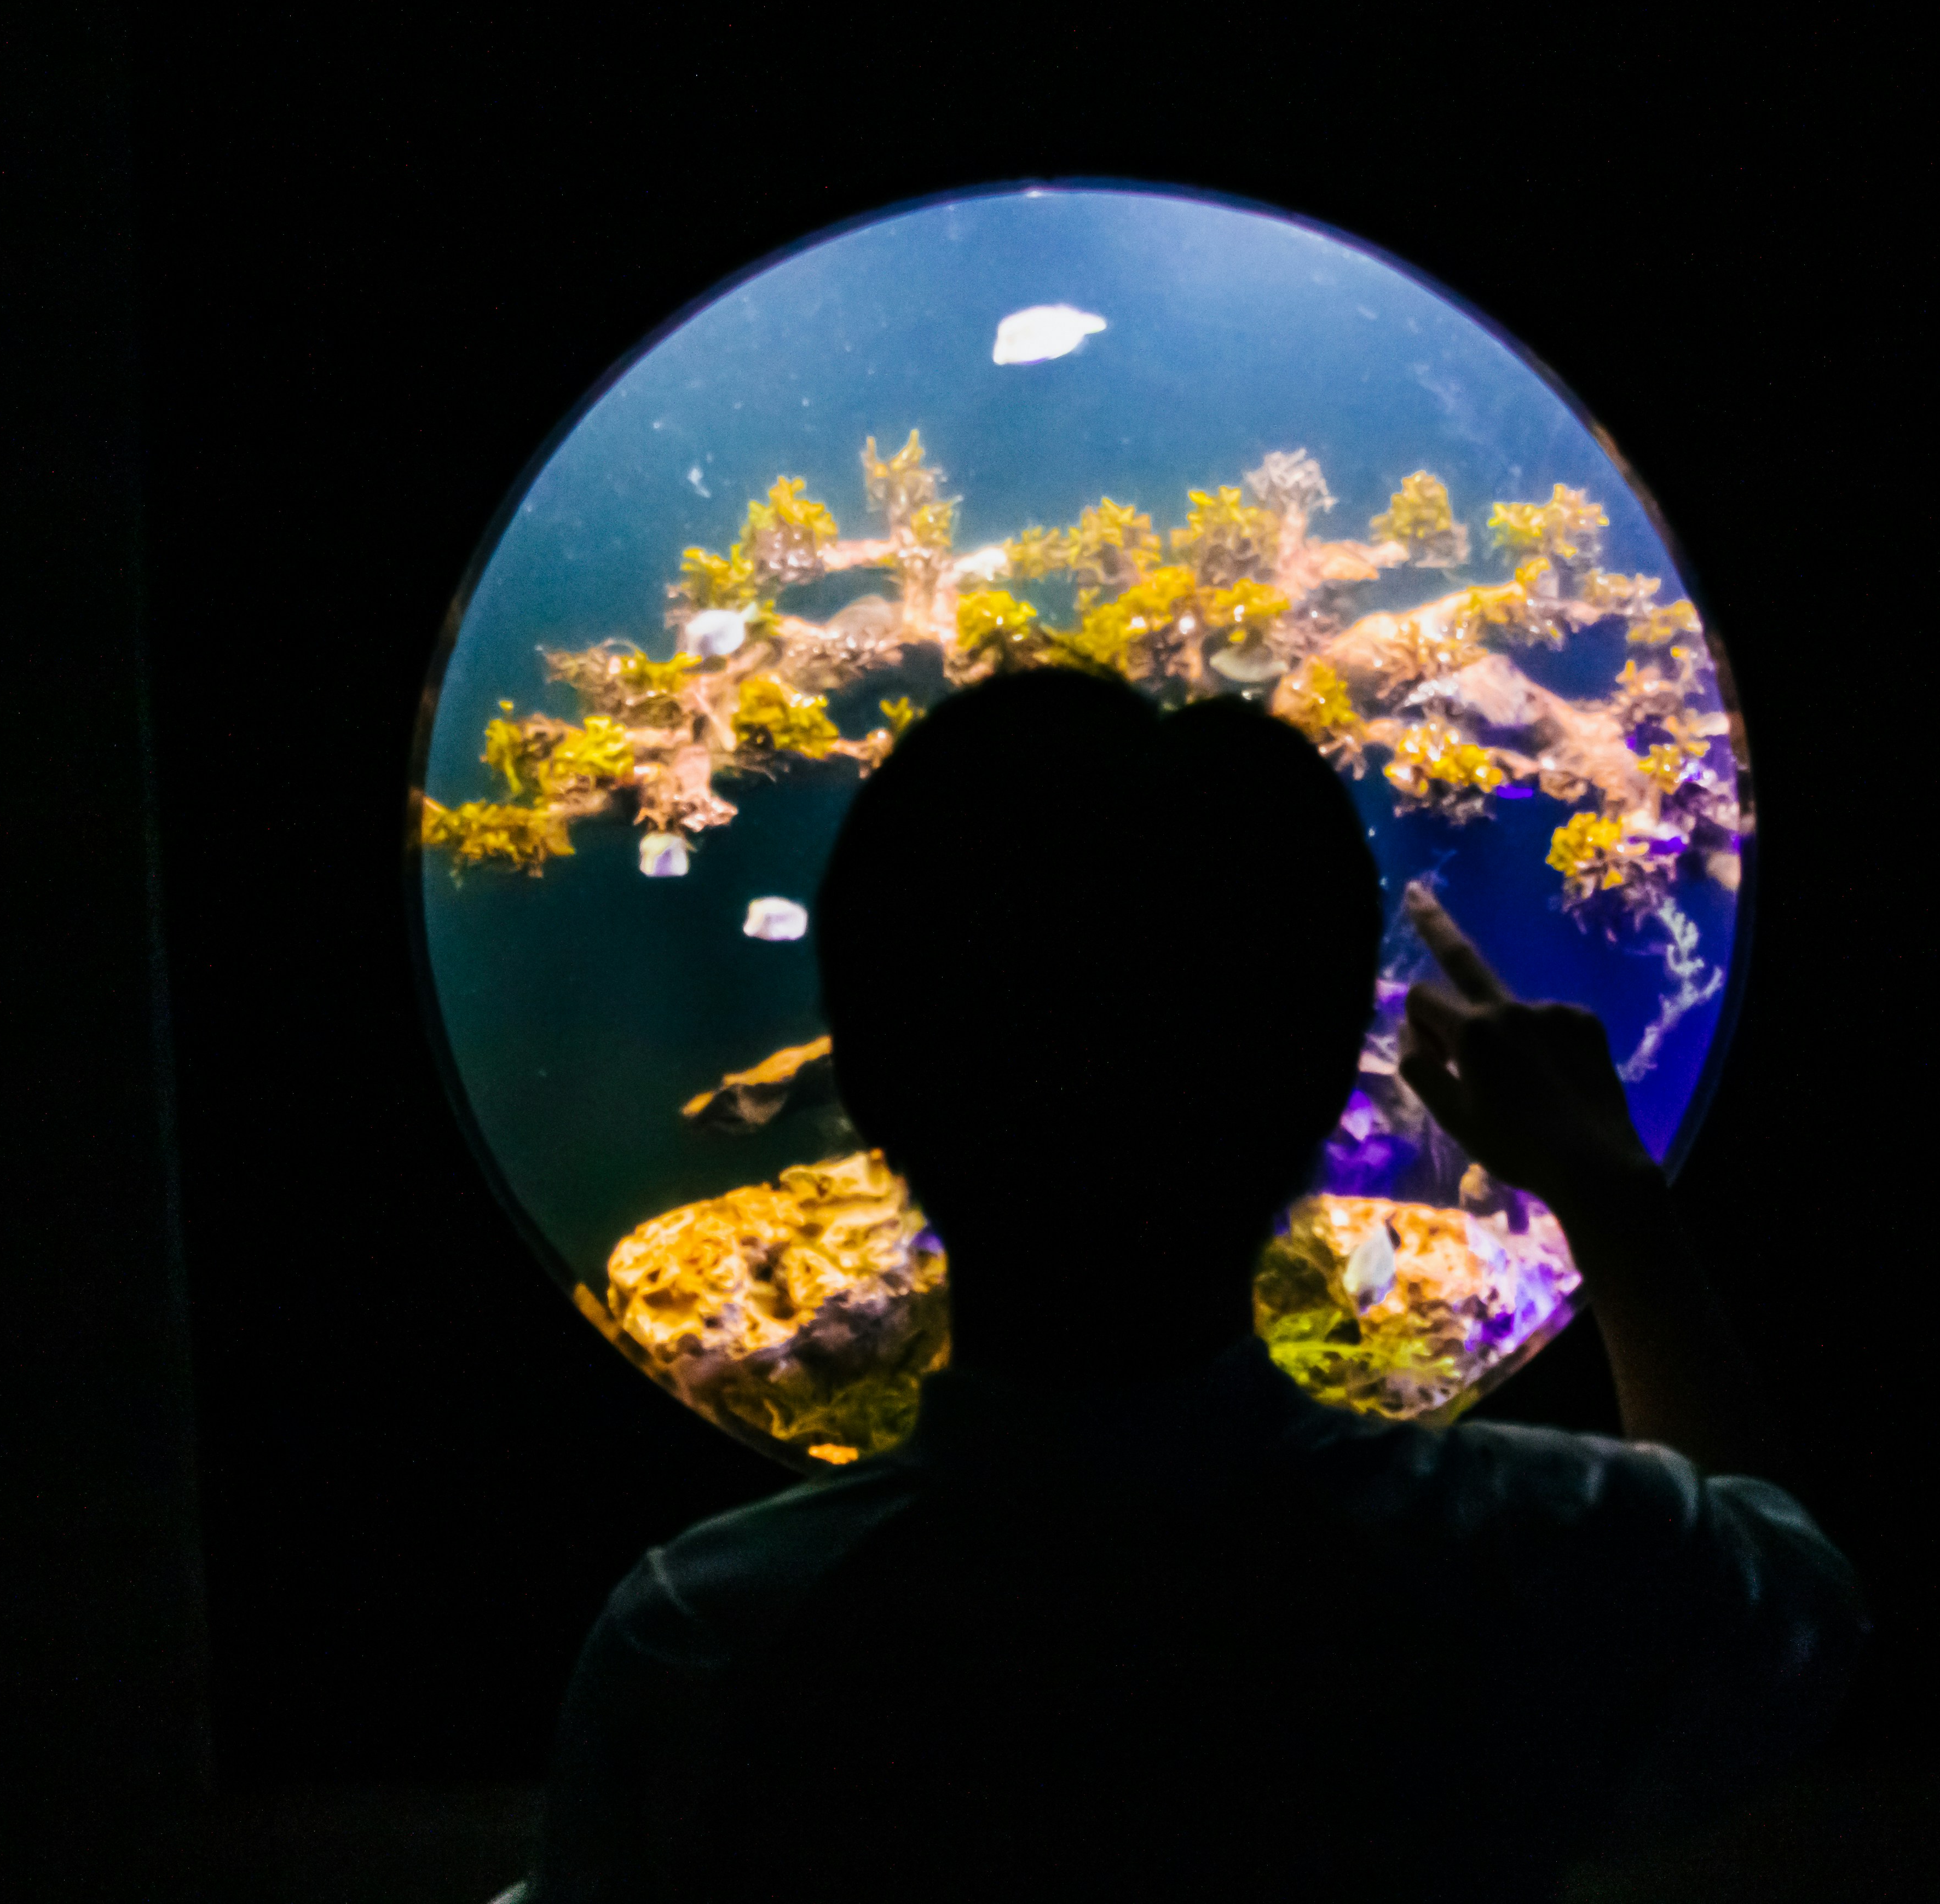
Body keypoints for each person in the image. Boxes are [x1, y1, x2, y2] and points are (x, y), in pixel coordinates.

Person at [535, 671, 1864, 1903]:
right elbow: (1795, 1600)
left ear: (860, 1089)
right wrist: (1613, 1199)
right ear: (1330, 1088)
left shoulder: (708, 1636)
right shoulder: (1541, 1555)